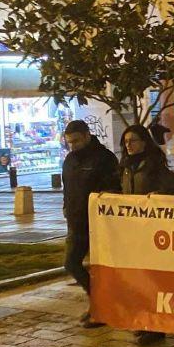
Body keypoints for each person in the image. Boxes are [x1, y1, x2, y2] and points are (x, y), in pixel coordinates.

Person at [118, 124, 174, 347]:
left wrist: (159, 197)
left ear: (144, 142)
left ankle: (155, 326)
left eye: (133, 141)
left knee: (152, 282)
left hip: (154, 234)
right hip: (134, 232)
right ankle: (143, 321)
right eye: (126, 142)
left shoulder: (156, 168)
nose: (129, 145)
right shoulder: (125, 168)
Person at [61, 120, 121, 329]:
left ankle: (101, 308)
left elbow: (114, 190)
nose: (73, 146)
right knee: (71, 263)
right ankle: (99, 303)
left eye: (76, 141)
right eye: (69, 142)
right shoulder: (69, 161)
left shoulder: (103, 159)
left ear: (87, 136)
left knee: (100, 270)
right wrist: (66, 207)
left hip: (99, 223)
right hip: (76, 222)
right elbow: (67, 188)